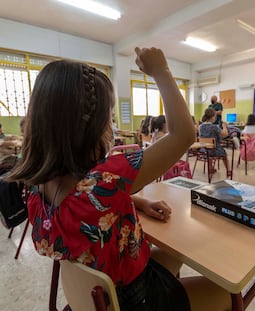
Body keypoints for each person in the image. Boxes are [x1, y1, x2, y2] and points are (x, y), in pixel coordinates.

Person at [7, 47, 232, 311]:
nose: (111, 125)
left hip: (95, 295)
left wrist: (134, 200)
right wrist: (161, 71)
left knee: (175, 252)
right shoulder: (106, 179)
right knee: (226, 292)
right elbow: (183, 134)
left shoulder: (36, 185)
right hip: (135, 300)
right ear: (88, 126)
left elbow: (85, 205)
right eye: (110, 116)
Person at [199, 108, 232, 178]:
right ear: (213, 117)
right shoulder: (214, 127)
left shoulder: (200, 126)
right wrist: (224, 126)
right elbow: (225, 134)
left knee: (209, 151)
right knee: (224, 154)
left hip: (203, 150)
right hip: (214, 150)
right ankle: (228, 171)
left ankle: (211, 168)